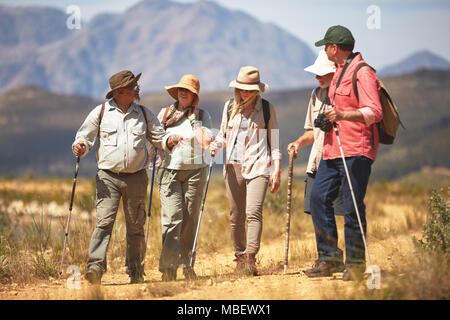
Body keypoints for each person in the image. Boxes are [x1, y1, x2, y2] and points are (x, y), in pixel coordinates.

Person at [72, 70, 182, 284]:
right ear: (120, 91)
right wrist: (80, 146)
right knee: (104, 223)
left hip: (136, 178)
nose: (137, 90)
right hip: (107, 177)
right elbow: (85, 137)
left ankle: (135, 270)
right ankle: (95, 267)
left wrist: (169, 141)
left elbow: (159, 137)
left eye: (136, 86)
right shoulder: (101, 112)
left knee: (135, 225)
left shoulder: (143, 113)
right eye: (133, 87)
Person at [305, 25, 383, 281]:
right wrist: (328, 118)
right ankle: (328, 258)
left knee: (351, 207)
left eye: (325, 46)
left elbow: (375, 112)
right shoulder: (338, 72)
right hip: (332, 150)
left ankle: (356, 264)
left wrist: (342, 115)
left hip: (356, 150)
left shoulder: (363, 72)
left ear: (334, 48)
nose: (324, 50)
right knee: (317, 198)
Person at [210, 66, 281, 276]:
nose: (245, 93)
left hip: (260, 165)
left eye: (249, 90)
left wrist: (276, 170)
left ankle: (250, 257)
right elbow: (222, 136)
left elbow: (274, 144)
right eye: (242, 89)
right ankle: (239, 255)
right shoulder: (229, 107)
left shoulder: (267, 109)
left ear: (257, 90)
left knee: (253, 211)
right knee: (236, 215)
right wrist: (216, 144)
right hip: (233, 166)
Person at [155, 74, 213, 281]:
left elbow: (206, 142)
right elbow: (155, 137)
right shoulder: (164, 114)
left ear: (194, 95)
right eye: (181, 89)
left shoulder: (202, 115)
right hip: (168, 171)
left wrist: (194, 121)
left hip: (195, 172)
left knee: (190, 220)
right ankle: (168, 268)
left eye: (187, 90)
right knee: (172, 218)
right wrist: (167, 140)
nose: (183, 92)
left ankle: (188, 264)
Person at [286, 49, 344, 216]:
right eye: (316, 73)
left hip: (337, 164)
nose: (317, 77)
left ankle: (337, 243)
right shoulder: (315, 95)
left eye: (322, 73)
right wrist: (298, 143)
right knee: (316, 213)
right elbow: (312, 132)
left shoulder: (344, 95)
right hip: (316, 164)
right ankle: (326, 243)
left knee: (339, 213)